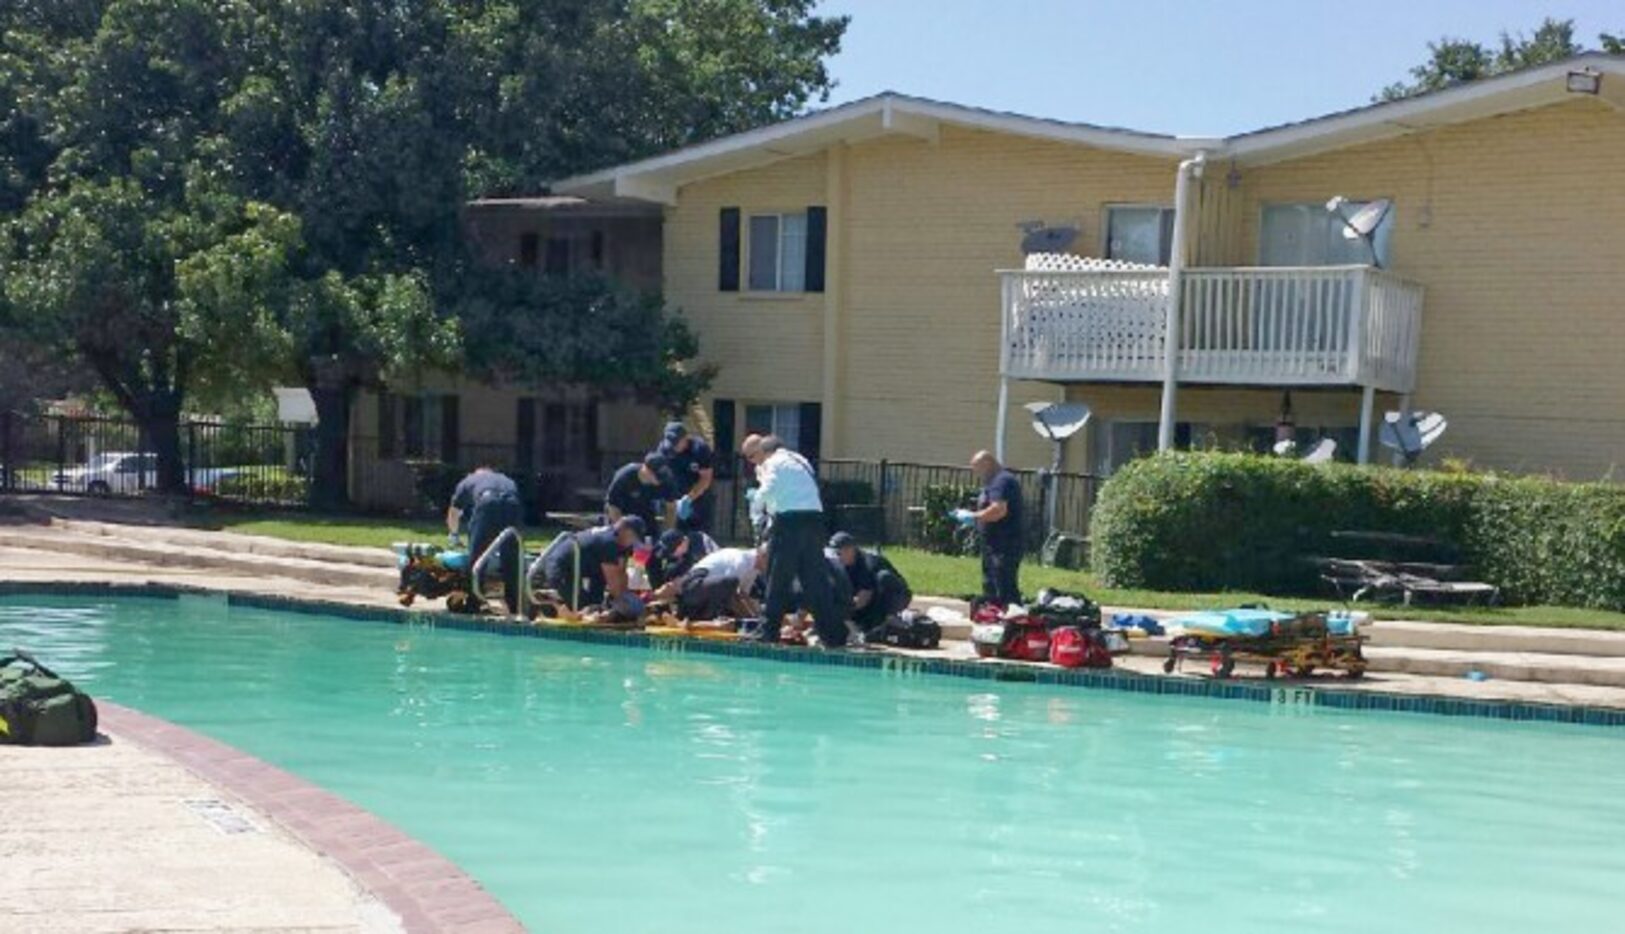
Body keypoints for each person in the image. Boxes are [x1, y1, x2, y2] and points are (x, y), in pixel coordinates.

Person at [741, 433, 845, 647]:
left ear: (764, 451)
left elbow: (770, 488)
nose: (753, 462)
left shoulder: (773, 462)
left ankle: (767, 632)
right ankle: (834, 635)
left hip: (790, 523)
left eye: (753, 457)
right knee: (815, 581)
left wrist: (756, 501)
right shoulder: (800, 460)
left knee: (777, 577)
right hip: (815, 521)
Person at [446, 464, 523, 615]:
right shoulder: (505, 479)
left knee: (479, 556)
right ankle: (515, 605)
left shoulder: (469, 480)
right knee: (512, 558)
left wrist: (454, 535)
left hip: (487, 503)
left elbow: (454, 512)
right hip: (513, 505)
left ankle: (474, 603)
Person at [960, 450, 1025, 606]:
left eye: (977, 468)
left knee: (1004, 585)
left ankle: (1012, 618)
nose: (977, 473)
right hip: (993, 543)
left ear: (987, 463)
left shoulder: (1001, 481)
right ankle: (994, 614)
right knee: (991, 583)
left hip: (1005, 543)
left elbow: (998, 510)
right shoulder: (995, 482)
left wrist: (972, 516)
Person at [539, 516, 645, 610]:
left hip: (582, 566)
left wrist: (625, 596)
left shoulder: (622, 544)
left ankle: (587, 604)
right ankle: (551, 599)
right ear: (623, 530)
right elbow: (613, 582)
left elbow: (621, 573)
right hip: (561, 566)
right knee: (580, 606)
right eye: (632, 536)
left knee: (595, 603)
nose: (633, 542)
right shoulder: (609, 542)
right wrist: (626, 606)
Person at [830, 532, 913, 632]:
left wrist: (844, 613)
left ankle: (890, 617)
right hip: (873, 599)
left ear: (850, 550)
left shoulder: (867, 563)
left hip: (896, 596)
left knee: (883, 577)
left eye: (839, 553)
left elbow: (864, 597)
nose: (836, 557)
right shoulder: (840, 565)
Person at [657, 545, 765, 622]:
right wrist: (748, 618)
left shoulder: (754, 569)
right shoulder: (742, 561)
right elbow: (732, 594)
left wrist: (756, 617)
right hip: (692, 587)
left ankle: (699, 617)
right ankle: (700, 617)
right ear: (762, 556)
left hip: (704, 592)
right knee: (731, 582)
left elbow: (743, 595)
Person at [657, 422, 716, 534]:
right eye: (671, 443)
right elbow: (660, 474)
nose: (673, 447)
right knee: (673, 537)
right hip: (673, 498)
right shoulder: (664, 449)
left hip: (698, 498)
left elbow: (705, 479)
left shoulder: (699, 449)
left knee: (698, 537)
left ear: (686, 438)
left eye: (676, 442)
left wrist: (688, 499)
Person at [604, 453, 672, 534]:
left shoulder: (665, 480)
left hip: (646, 516)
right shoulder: (624, 477)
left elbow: (671, 507)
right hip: (622, 515)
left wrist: (668, 533)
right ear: (647, 470)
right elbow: (613, 507)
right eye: (657, 476)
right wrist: (623, 532)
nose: (660, 480)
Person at [647, 527, 718, 590]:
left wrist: (682, 579)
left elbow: (704, 573)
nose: (671, 555)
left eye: (672, 552)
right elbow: (652, 561)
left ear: (683, 543)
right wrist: (658, 589)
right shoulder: (673, 547)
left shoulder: (700, 544)